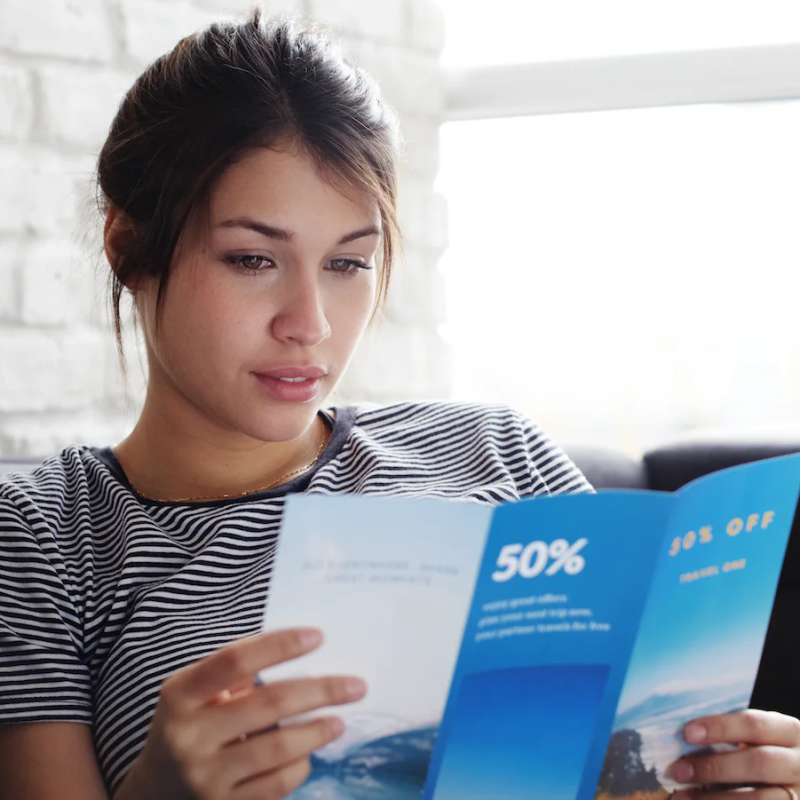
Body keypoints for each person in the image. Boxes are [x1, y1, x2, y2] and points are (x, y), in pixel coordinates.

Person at [0, 10, 797, 800]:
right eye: (252, 259)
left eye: (348, 264)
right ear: (128, 244)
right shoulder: (43, 538)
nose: (308, 323)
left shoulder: (496, 449)